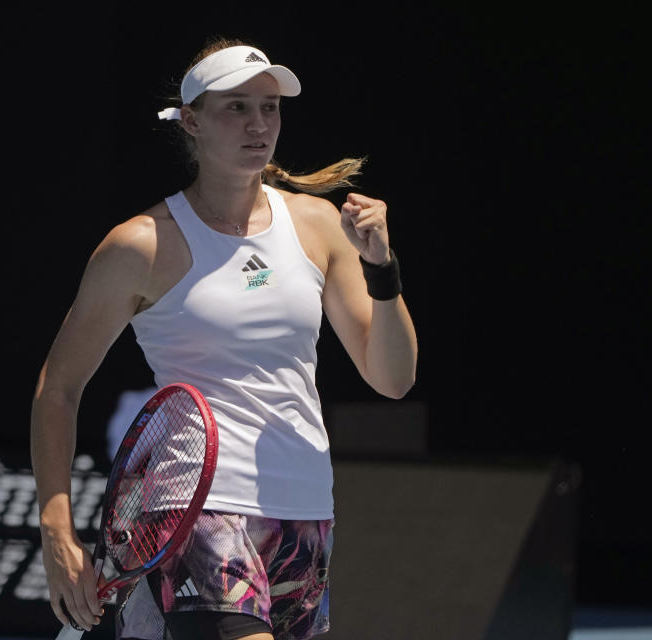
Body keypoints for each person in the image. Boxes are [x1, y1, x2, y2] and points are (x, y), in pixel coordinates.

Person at [30, 36, 418, 640]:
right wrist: (57, 531)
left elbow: (392, 379)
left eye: (269, 107)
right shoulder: (138, 245)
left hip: (306, 511)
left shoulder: (318, 227)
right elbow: (58, 389)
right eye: (235, 107)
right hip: (195, 505)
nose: (258, 123)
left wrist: (383, 271)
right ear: (191, 122)